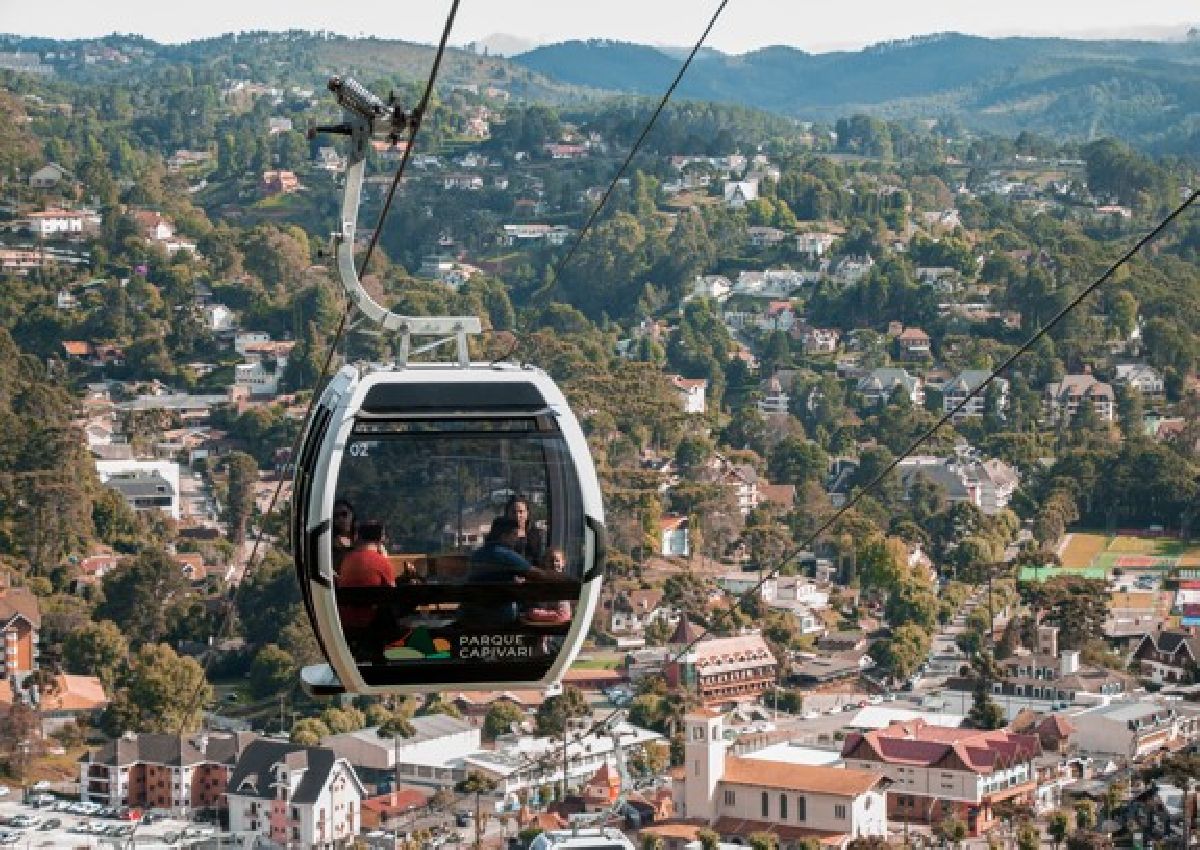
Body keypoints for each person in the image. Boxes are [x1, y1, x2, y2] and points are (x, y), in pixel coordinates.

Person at [467, 516, 555, 624]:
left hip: (471, 614)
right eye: (514, 535)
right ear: (504, 536)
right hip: (500, 615)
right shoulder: (505, 555)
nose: (517, 539)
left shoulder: (477, 554)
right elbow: (540, 575)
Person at [335, 520, 395, 659]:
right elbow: (393, 594)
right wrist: (385, 558)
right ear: (381, 539)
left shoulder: (347, 560)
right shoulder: (381, 562)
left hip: (346, 622)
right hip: (372, 624)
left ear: (359, 537)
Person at [521, 548, 572, 626]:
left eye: (557, 560)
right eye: (551, 561)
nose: (554, 564)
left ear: (563, 563)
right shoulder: (539, 582)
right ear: (545, 563)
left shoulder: (564, 585)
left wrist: (534, 614)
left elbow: (563, 615)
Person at [503, 496, 545, 563]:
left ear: (527, 513)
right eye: (514, 512)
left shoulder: (535, 534)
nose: (517, 515)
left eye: (521, 512)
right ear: (507, 513)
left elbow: (538, 558)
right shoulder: (501, 534)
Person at [330, 499, 356, 576]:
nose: (341, 519)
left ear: (352, 514)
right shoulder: (329, 542)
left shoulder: (363, 538)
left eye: (344, 514)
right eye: (336, 516)